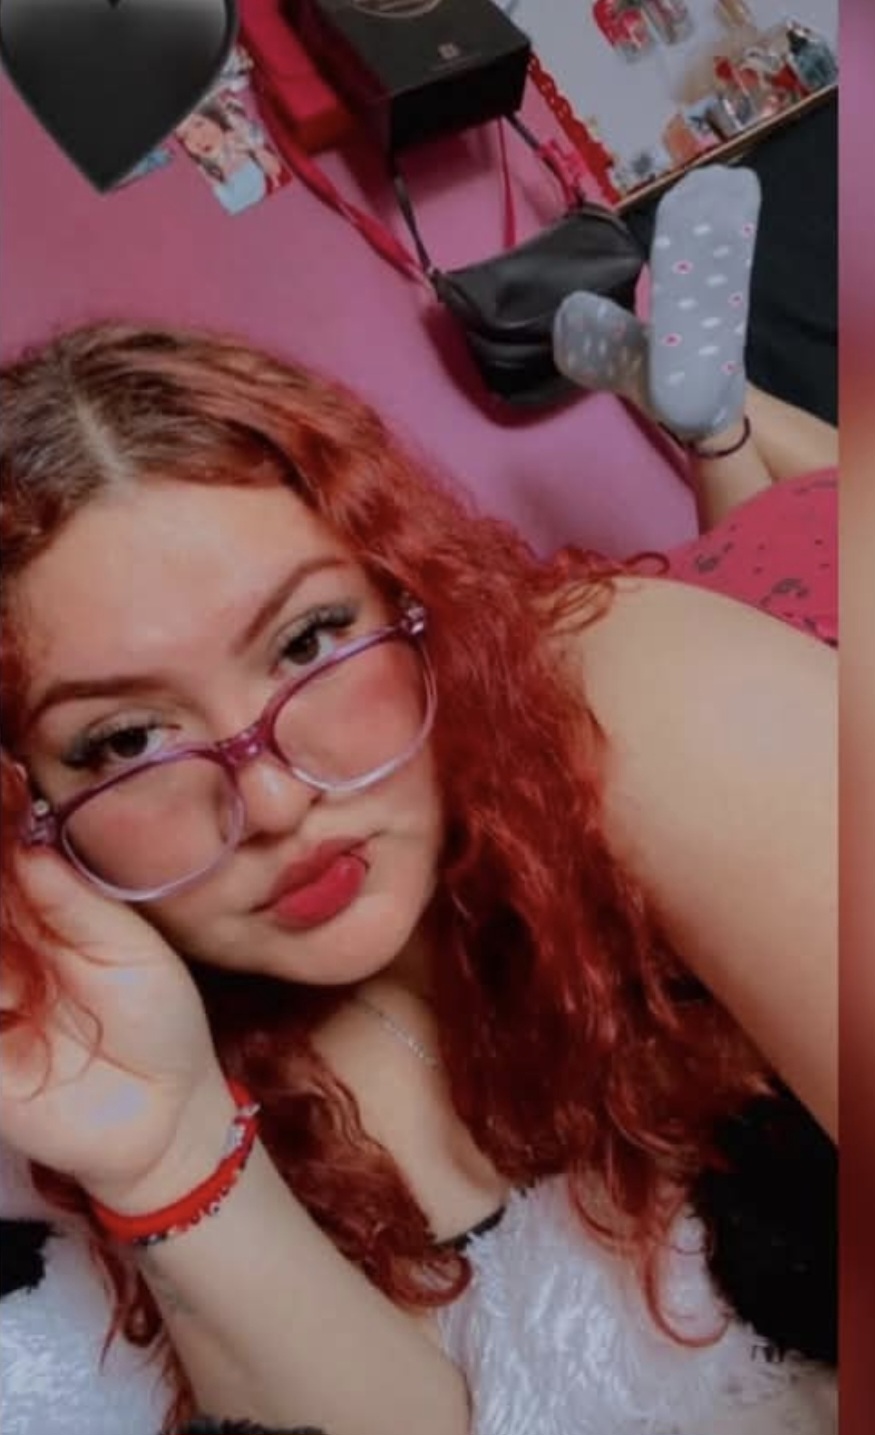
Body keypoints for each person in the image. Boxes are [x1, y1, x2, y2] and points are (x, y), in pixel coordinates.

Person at [0, 166, 836, 1435]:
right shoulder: (163, 1041)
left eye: (307, 641)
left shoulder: (625, 689)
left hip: (796, 625)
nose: (271, 798)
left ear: (413, 596)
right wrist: (168, 1156)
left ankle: (715, 424)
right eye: (125, 740)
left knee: (798, 522)